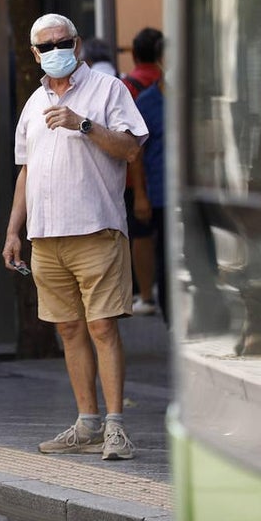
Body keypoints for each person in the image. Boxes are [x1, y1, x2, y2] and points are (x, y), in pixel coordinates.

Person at [1, 13, 148, 461]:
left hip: (96, 227)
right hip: (46, 235)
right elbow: (25, 171)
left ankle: (116, 426)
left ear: (77, 43)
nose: (55, 51)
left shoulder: (109, 90)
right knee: (68, 328)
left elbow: (132, 147)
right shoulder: (32, 104)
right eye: (45, 46)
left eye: (61, 42)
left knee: (103, 326)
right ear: (34, 53)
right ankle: (87, 422)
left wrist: (83, 124)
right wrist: (13, 230)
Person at [122, 28, 164, 316]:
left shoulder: (128, 87)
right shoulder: (162, 88)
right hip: (162, 178)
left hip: (136, 178)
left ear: (135, 54)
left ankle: (146, 294)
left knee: (141, 236)